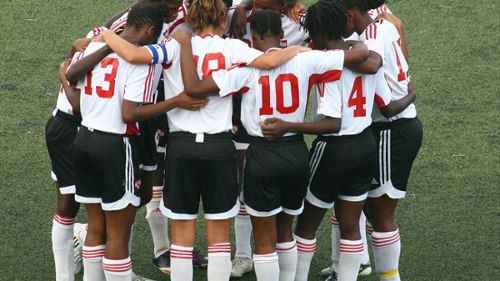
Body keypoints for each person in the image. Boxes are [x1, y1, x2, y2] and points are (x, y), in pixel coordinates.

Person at [90, 0, 309, 280]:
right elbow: (269, 60)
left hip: (181, 148)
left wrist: (106, 34)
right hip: (220, 149)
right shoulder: (233, 47)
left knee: (181, 238)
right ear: (222, 22)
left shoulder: (174, 45)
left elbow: (132, 55)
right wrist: (299, 49)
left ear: (191, 21)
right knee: (218, 238)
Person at [176, 9, 372, 280]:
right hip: (295, 152)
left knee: (265, 239)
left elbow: (195, 88)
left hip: (261, 153)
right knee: (285, 233)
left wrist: (185, 44)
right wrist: (356, 43)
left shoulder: (246, 69)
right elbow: (360, 56)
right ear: (282, 36)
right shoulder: (306, 59)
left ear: (253, 37)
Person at [254, 1, 416, 281]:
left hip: (333, 148)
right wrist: (412, 93)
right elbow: (386, 104)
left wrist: (287, 126)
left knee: (306, 224)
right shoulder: (366, 57)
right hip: (366, 145)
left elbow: (332, 123)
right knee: (351, 225)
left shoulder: (326, 65)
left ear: (317, 32)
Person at [62, 3, 205, 280]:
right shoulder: (144, 60)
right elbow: (130, 113)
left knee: (95, 226)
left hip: (83, 142)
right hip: (116, 146)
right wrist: (176, 101)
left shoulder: (95, 48)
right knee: (118, 234)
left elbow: (70, 77)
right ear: (152, 30)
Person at [223, 1, 310, 277]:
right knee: (243, 188)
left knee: (255, 200)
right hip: (248, 116)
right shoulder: (236, 12)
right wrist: (241, 7)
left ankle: (247, 255)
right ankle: (242, 254)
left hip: (257, 115)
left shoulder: (297, 19)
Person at [337, 0, 423, 280]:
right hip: (393, 127)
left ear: (351, 14)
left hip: (392, 128)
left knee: (381, 213)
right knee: (371, 209)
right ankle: (370, 266)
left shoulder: (369, 41)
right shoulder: (385, 24)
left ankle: (390, 278)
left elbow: (381, 96)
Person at [46, 27, 106, 281]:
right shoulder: (107, 40)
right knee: (69, 203)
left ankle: (115, 270)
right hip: (72, 127)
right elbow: (79, 105)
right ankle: (64, 277)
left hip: (101, 130)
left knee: (115, 207)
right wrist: (64, 73)